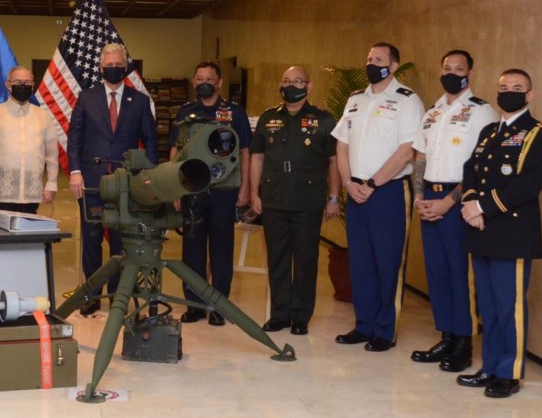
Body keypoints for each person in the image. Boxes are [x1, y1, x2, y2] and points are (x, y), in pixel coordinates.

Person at [457, 68, 542, 399]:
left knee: (509, 306)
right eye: (503, 87)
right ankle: (490, 366)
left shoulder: (537, 133)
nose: (509, 92)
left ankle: (509, 372)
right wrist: (470, 204)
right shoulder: (489, 131)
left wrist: (482, 207)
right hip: (481, 230)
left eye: (517, 87)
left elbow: (530, 183)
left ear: (529, 94)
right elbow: (471, 169)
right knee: (488, 306)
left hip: (512, 232)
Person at [331, 42, 424, 352]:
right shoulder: (356, 99)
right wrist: (348, 182)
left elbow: (407, 150)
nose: (372, 64)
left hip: (388, 192)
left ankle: (385, 329)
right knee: (361, 262)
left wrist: (372, 183)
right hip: (356, 191)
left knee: (388, 262)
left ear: (394, 66)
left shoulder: (407, 100)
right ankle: (364, 325)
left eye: (379, 59)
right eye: (369, 58)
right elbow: (342, 144)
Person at [410, 50, 497, 371]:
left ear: (469, 74)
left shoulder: (482, 112)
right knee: (438, 273)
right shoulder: (433, 111)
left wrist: (448, 202)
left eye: (458, 69)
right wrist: (419, 196)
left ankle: (463, 342)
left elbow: (481, 165)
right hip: (429, 194)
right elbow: (420, 156)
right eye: (446, 68)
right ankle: (446, 336)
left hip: (459, 200)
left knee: (461, 273)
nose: (451, 73)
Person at [249, 66, 340, 336]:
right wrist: (254, 193)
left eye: (298, 81)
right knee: (277, 258)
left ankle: (300, 315)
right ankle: (279, 314)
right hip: (274, 198)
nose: (292, 85)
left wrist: (334, 197)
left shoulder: (323, 120)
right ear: (280, 85)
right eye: (287, 81)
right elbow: (257, 157)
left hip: (307, 200)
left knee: (305, 260)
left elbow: (334, 161)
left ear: (309, 87)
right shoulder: (268, 118)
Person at [68, 43, 157, 316]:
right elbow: (75, 139)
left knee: (121, 240)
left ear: (126, 67)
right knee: (92, 238)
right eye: (109, 65)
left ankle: (118, 294)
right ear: (100, 67)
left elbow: (150, 141)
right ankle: (92, 294)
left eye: (119, 65)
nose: (114, 68)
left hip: (125, 184)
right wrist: (75, 172)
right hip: (92, 181)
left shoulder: (139, 101)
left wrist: (149, 177)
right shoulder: (86, 98)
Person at [169, 61, 251, 326]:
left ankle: (218, 306)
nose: (205, 82)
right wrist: (173, 187)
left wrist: (246, 188)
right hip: (192, 190)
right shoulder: (185, 112)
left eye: (210, 78)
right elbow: (175, 151)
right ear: (194, 82)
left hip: (224, 190)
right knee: (192, 250)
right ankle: (195, 305)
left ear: (220, 82)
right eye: (200, 78)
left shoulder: (234, 113)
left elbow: (245, 152)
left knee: (221, 250)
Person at [0, 66, 58, 215]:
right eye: (18, 82)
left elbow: (52, 154)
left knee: (28, 230)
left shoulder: (43, 116)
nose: (22, 85)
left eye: (27, 82)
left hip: (31, 193)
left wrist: (51, 183)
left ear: (33, 85)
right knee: (0, 231)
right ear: (8, 84)